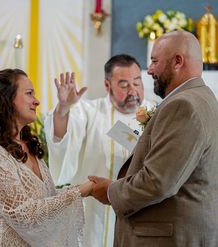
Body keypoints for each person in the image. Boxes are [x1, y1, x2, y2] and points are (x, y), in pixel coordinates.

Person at [89, 30, 218, 246]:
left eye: (154, 61)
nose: (150, 70)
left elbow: (157, 182)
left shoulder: (183, 105)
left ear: (177, 61)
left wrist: (109, 191)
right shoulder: (201, 96)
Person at [0, 68, 94, 247]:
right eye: (29, 94)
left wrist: (85, 188)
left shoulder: (28, 146)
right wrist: (81, 191)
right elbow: (24, 214)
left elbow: (45, 200)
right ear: (6, 99)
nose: (36, 101)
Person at [44, 54, 152, 246]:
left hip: (138, 217)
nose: (133, 90)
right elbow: (62, 137)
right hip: (94, 217)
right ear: (107, 85)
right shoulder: (89, 112)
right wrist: (63, 109)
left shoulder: (156, 115)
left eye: (137, 82)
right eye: (124, 85)